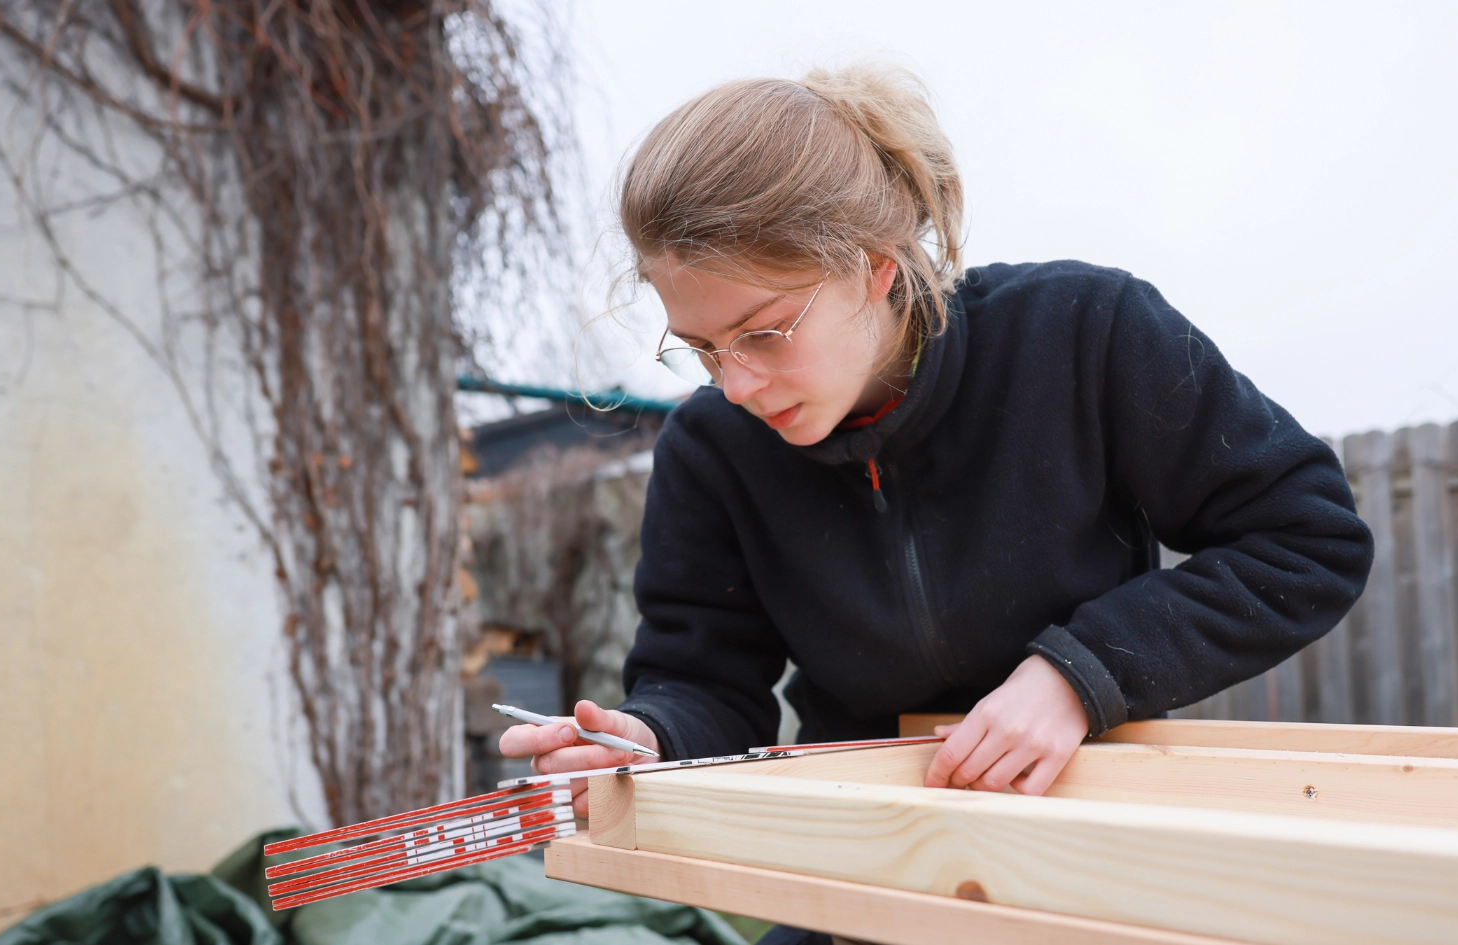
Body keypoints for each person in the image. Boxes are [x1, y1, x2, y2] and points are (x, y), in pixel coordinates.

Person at [500, 64, 1372, 944]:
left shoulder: (1082, 332)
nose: (736, 384)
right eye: (701, 347)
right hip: (865, 862)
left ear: (876, 267)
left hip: (1088, 848)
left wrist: (1077, 677)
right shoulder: (710, 450)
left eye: (762, 333)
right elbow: (705, 683)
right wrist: (648, 739)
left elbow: (1306, 539)